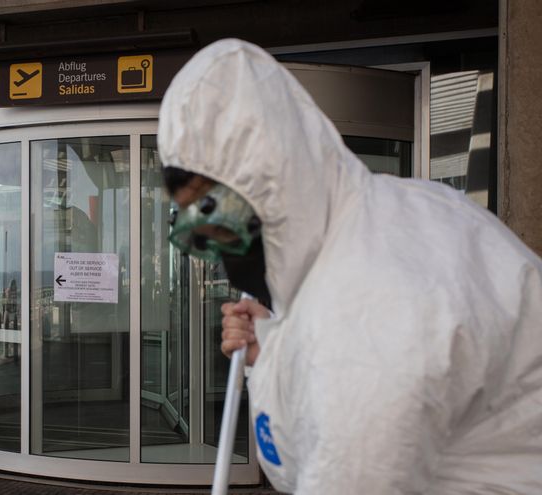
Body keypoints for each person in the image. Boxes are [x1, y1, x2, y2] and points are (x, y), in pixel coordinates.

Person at [159, 39, 542, 494]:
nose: (221, 247)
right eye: (202, 231)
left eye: (217, 214)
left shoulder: (368, 308)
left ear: (270, 180)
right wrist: (275, 348)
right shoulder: (387, 219)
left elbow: (344, 460)